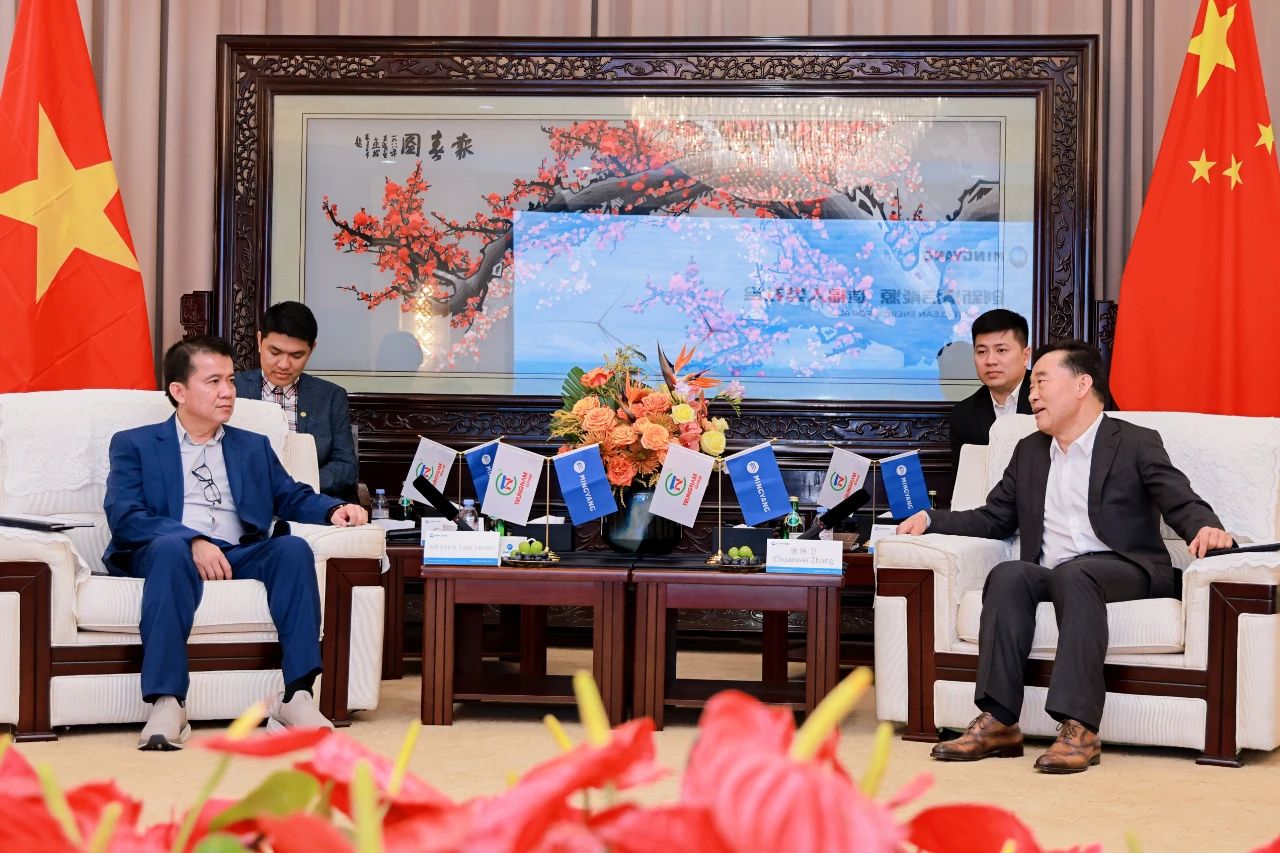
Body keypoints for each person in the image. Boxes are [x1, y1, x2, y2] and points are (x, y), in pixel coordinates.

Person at [896, 340, 1232, 773]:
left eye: (1041, 382)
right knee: (1009, 574)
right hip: (1056, 572)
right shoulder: (1030, 451)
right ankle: (999, 721)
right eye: (1032, 385)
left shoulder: (1134, 442)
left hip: (1128, 568)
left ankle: (1080, 728)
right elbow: (995, 517)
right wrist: (931, 519)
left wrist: (1205, 527)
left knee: (1078, 574)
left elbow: (1180, 499)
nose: (1032, 394)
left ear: (1081, 385)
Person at [104, 336, 370, 750]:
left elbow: (290, 495)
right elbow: (125, 517)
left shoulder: (252, 446)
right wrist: (192, 540)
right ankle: (168, 701)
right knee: (171, 550)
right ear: (179, 391)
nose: (228, 391)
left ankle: (297, 696)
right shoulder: (135, 444)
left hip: (237, 552)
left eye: (230, 380)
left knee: (292, 549)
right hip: (167, 553)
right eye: (213, 382)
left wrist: (334, 509)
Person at [234, 301, 358, 498]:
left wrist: (295, 486)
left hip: (307, 501)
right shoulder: (233, 389)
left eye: (297, 355)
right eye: (275, 352)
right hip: (245, 500)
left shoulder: (330, 396)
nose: (284, 364)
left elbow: (345, 467)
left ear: (312, 349)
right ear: (259, 341)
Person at [949, 309, 1033, 467]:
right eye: (981, 351)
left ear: (1025, 355)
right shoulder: (963, 415)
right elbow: (963, 478)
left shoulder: (1051, 399)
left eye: (1001, 350)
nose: (990, 361)